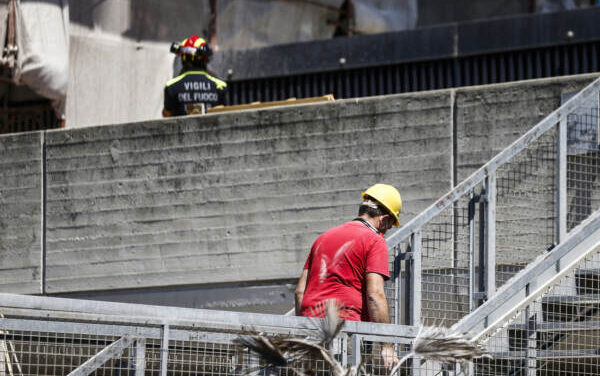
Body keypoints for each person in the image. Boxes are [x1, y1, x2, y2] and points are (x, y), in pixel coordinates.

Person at [294, 183, 402, 370]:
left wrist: (303, 327)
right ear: (384, 220)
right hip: (345, 332)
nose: (386, 231)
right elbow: (374, 295)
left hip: (310, 331)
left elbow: (299, 292)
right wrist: (387, 346)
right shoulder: (374, 240)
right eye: (389, 226)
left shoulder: (323, 238)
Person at [163, 35, 227, 117]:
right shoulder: (220, 86)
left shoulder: (171, 87)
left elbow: (166, 115)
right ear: (205, 59)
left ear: (183, 58)